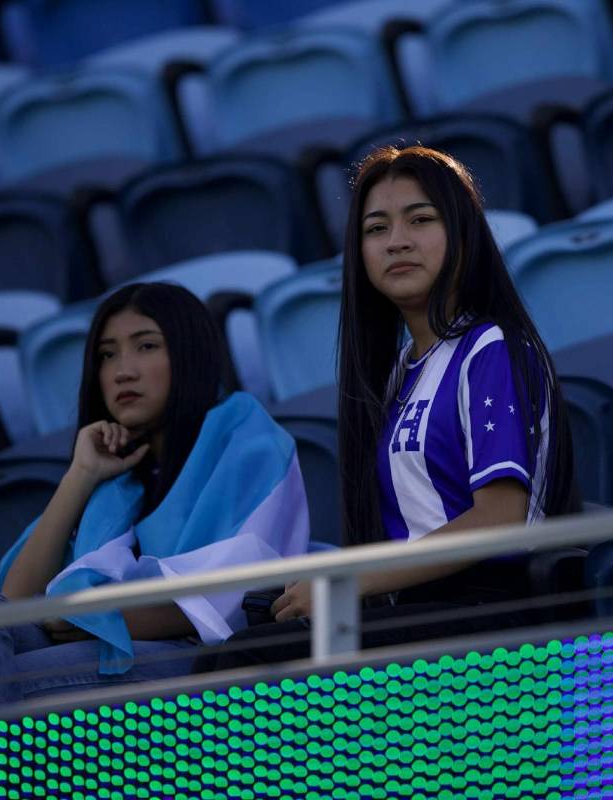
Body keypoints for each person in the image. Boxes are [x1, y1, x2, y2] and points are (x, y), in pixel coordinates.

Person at [211, 145, 577, 668]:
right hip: (416, 614)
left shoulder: (490, 347)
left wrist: (347, 582)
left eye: (420, 220)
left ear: (464, 234)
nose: (397, 241)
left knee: (247, 663)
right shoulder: (398, 372)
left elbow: (501, 517)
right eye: (376, 229)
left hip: (492, 617)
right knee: (230, 657)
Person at [0, 282, 309, 712]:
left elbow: (240, 591)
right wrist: (81, 476)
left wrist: (96, 621)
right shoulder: (113, 473)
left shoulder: (246, 439)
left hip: (199, 657)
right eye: (107, 355)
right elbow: (14, 605)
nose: (123, 371)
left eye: (146, 346)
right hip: (92, 645)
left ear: (190, 354)